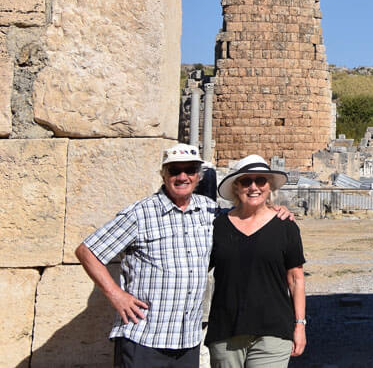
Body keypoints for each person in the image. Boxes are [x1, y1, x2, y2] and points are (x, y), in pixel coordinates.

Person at [75, 144, 293, 368]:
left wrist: (274, 211)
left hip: (186, 342)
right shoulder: (140, 214)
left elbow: (246, 217)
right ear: (163, 174)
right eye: (174, 170)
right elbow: (87, 251)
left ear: (198, 175)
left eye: (189, 170)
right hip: (144, 337)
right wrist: (116, 296)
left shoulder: (210, 212)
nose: (182, 176)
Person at [205, 155, 307, 367]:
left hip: (273, 331)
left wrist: (300, 325)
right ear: (236, 187)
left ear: (269, 187)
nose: (253, 187)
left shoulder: (285, 226)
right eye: (246, 181)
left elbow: (296, 279)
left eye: (260, 180)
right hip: (226, 330)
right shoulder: (218, 227)